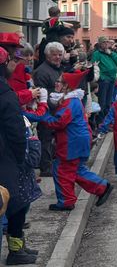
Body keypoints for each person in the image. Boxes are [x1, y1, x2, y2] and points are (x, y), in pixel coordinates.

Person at [39, 70, 112, 211]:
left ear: (66, 86)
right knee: (76, 170)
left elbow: (58, 122)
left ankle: (68, 201)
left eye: (59, 81)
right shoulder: (71, 100)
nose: (56, 83)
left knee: (62, 169)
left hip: (72, 143)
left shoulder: (70, 102)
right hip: (77, 141)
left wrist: (42, 115)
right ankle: (100, 187)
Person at [0, 47, 40, 267]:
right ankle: (15, 251)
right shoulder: (6, 94)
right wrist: (20, 158)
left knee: (16, 205)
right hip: (7, 158)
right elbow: (15, 130)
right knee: (15, 204)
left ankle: (19, 247)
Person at [32, 41, 66, 176]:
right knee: (45, 138)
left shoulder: (58, 68)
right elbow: (42, 94)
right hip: (47, 111)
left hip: (57, 110)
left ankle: (51, 163)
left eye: (60, 54)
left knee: (53, 139)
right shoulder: (42, 71)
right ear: (47, 56)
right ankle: (46, 168)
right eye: (54, 55)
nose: (57, 57)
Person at [92, 35, 117, 122]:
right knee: (102, 102)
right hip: (104, 81)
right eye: (104, 42)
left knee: (108, 103)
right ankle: (101, 122)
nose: (106, 44)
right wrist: (102, 77)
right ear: (100, 44)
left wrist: (111, 54)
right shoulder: (96, 54)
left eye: (107, 42)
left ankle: (107, 122)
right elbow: (95, 66)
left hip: (112, 80)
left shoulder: (111, 53)